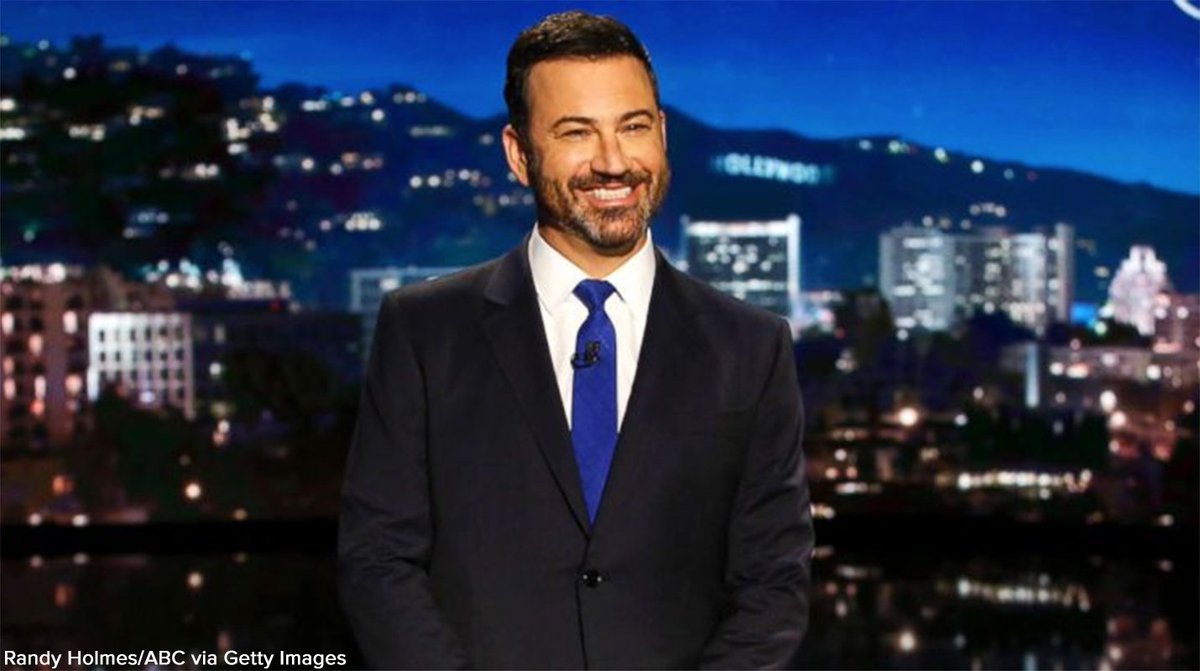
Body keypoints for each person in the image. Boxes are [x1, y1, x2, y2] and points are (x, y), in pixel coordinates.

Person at [338, 10, 813, 669]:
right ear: (519, 154)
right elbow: (378, 560)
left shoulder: (751, 347)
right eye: (576, 132)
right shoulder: (424, 331)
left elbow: (774, 585)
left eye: (633, 127)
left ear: (663, 134)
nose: (613, 162)